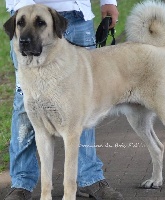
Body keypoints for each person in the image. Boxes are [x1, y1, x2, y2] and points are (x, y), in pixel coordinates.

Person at [4, 0, 123, 200]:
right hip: (27, 6)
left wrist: (108, 1)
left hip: (77, 13)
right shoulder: (23, 24)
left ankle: (89, 178)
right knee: (24, 107)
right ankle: (22, 183)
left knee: (84, 103)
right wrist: (21, 7)